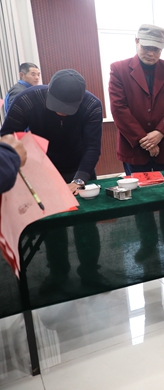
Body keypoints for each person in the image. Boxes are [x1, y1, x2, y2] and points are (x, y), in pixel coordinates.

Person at [1, 69, 107, 290]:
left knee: (86, 224)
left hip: (79, 167)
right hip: (43, 168)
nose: (62, 113)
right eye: (57, 106)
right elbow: (7, 138)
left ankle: (90, 271)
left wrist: (79, 181)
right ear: (49, 90)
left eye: (68, 108)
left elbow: (92, 148)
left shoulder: (91, 105)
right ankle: (58, 273)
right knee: (52, 226)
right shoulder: (27, 100)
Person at [109, 24, 164, 265]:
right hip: (134, 147)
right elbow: (118, 109)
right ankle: (148, 244)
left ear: (162, 49)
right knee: (141, 201)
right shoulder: (119, 69)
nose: (150, 53)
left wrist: (159, 133)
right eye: (146, 47)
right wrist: (144, 139)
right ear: (136, 42)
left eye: (156, 49)